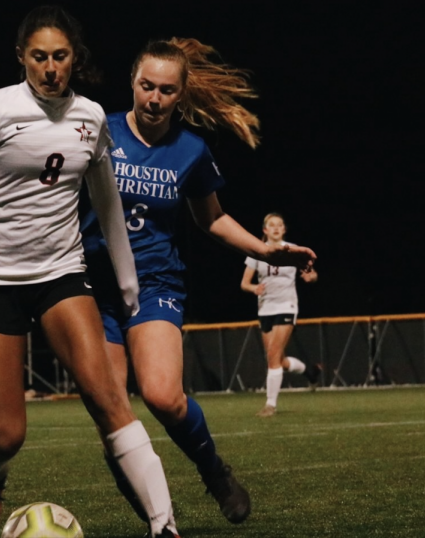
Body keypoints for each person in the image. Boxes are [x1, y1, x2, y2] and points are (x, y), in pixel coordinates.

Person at [0, 6, 180, 538]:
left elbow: (109, 206)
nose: (51, 67)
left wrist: (126, 283)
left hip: (62, 275)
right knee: (7, 435)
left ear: (74, 57)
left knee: (109, 399)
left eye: (60, 56)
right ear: (21, 57)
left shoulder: (92, 117)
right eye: (39, 57)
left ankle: (164, 525)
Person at [80, 38, 317, 525]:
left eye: (167, 90)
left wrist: (262, 248)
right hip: (92, 290)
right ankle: (157, 518)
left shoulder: (190, 150)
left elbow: (211, 219)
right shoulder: (96, 130)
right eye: (146, 86)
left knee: (164, 396)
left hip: (155, 283)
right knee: (113, 413)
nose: (154, 98)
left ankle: (215, 473)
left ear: (181, 94)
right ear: (132, 82)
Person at [241, 212, 320, 418]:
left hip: (286, 306)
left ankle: (270, 405)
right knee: (277, 359)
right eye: (272, 225)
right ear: (265, 230)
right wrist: (254, 288)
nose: (276, 228)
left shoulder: (291, 250)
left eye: (280, 225)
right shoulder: (256, 252)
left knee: (273, 356)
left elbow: (310, 273)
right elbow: (244, 283)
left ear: (284, 229)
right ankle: (310, 372)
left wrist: (310, 277)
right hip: (265, 309)